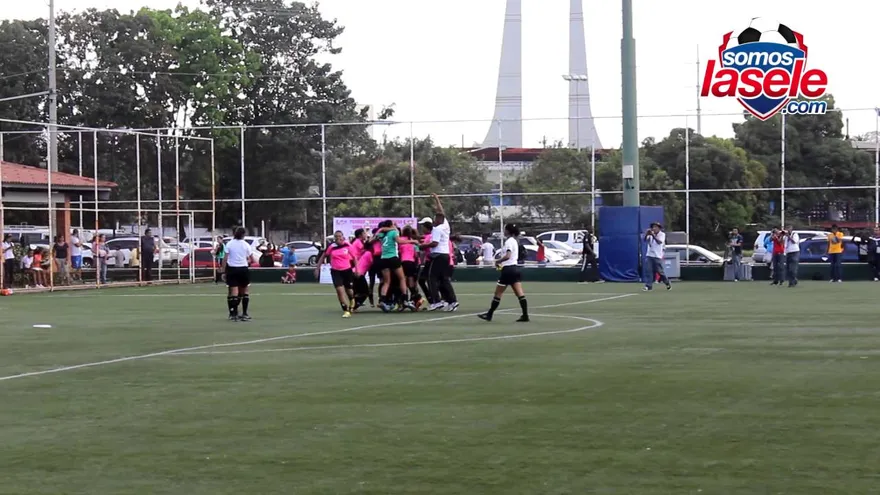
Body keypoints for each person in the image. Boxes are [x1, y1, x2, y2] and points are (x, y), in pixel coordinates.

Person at [478, 224, 529, 323]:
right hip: (515, 269)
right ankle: (525, 315)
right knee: (520, 294)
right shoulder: (514, 241)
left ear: (508, 231)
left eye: (505, 230)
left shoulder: (509, 241)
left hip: (508, 270)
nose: (504, 231)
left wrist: (498, 261)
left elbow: (508, 255)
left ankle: (489, 314)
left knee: (498, 293)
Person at [373, 221, 417, 312]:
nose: (395, 225)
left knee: (386, 281)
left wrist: (381, 230)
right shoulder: (394, 232)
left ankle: (383, 300)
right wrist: (412, 241)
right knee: (402, 278)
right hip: (393, 257)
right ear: (390, 225)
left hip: (383, 258)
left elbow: (371, 240)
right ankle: (405, 299)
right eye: (394, 224)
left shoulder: (381, 234)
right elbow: (399, 241)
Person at [426, 193, 459, 311]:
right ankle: (453, 301)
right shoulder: (446, 225)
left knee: (431, 278)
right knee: (444, 279)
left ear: (439, 220)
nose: (434, 220)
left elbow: (434, 243)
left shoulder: (437, 228)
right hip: (445, 255)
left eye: (435, 218)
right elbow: (441, 211)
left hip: (439, 255)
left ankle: (436, 301)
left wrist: (422, 245)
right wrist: (436, 199)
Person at [315, 230, 358, 317]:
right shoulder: (331, 247)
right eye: (336, 236)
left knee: (349, 290)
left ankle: (352, 299)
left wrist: (357, 269)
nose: (338, 238)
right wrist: (317, 268)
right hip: (335, 271)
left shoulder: (348, 245)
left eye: (339, 236)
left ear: (343, 237)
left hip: (347, 270)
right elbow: (323, 256)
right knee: (339, 290)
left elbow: (354, 257)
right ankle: (346, 310)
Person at [223, 227, 258, 321]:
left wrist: (223, 270)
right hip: (243, 269)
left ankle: (233, 314)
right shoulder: (246, 245)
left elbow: (225, 258)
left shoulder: (229, 244)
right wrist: (246, 260)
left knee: (234, 291)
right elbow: (252, 259)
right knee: (244, 291)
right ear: (243, 235)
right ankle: (245, 313)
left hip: (232, 269)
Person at [399, 225, 424, 309]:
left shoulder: (401, 241)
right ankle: (415, 297)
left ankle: (406, 300)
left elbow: (399, 252)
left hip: (403, 262)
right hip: (411, 263)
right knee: (411, 282)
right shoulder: (413, 242)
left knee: (403, 281)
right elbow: (416, 255)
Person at [643, 222, 671, 291]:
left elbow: (659, 242)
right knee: (648, 270)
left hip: (657, 255)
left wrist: (653, 235)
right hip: (649, 255)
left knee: (660, 271)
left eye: (656, 227)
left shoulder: (662, 234)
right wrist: (647, 234)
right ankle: (648, 286)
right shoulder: (650, 234)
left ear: (659, 228)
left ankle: (667, 283)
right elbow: (644, 240)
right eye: (653, 227)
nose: (654, 228)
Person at [417, 218, 435, 307]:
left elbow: (422, 247)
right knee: (424, 280)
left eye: (423, 226)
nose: (421, 228)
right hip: (429, 260)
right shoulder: (428, 236)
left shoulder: (430, 236)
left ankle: (434, 300)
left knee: (427, 280)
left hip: (431, 261)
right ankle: (433, 299)